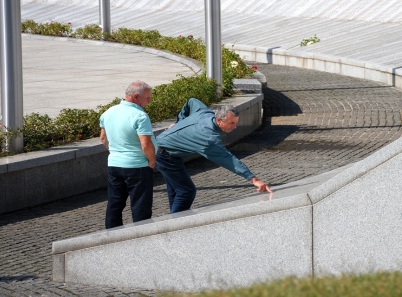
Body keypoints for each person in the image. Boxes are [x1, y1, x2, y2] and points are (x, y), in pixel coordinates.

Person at [156, 98, 272, 213]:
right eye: (231, 123)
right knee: (186, 191)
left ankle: (174, 219)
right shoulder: (208, 138)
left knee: (177, 190)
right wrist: (254, 179)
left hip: (164, 149)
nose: (235, 127)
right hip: (165, 156)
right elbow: (229, 160)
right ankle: (176, 224)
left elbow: (192, 101)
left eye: (236, 123)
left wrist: (179, 123)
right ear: (219, 120)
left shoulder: (205, 113)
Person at [99, 81, 157, 229]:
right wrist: (152, 161)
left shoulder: (108, 112)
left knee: (115, 204)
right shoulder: (140, 116)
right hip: (137, 166)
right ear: (136, 96)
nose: (149, 101)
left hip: (114, 165)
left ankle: (112, 236)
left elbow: (103, 139)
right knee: (140, 207)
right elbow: (146, 144)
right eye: (147, 98)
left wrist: (116, 153)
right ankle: (141, 238)